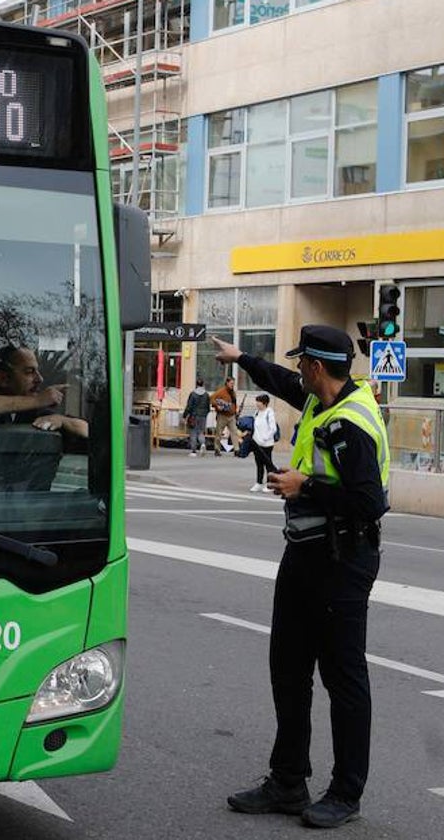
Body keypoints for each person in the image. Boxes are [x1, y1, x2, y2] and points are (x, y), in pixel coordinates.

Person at [214, 326, 389, 829]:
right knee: (288, 668)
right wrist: (243, 357)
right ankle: (288, 780)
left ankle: (345, 793)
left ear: (315, 366)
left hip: (344, 560)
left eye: (301, 365)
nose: (296, 374)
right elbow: (282, 382)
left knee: (342, 676)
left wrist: (303, 484)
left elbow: (368, 502)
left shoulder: (351, 423)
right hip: (306, 554)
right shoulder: (323, 398)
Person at [0, 345, 88, 438]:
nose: (39, 379)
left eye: (37, 371)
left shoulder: (32, 410)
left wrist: (63, 421)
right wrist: (38, 400)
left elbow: (88, 431)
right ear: (3, 379)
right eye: (29, 372)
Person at [247, 394, 278, 492]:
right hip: (256, 443)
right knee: (259, 463)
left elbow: (273, 428)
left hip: (267, 443)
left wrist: (265, 438)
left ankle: (270, 484)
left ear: (264, 403)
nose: (257, 403)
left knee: (268, 464)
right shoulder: (256, 413)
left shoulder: (269, 412)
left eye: (258, 401)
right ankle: (259, 483)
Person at [210, 375, 242, 456]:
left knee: (234, 432)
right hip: (222, 415)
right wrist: (217, 406)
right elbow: (211, 398)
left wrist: (236, 411)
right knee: (219, 433)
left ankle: (236, 450)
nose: (232, 385)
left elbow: (234, 402)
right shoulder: (221, 391)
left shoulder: (232, 392)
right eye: (231, 383)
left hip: (231, 416)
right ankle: (217, 449)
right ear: (227, 383)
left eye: (233, 384)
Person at [182, 377, 211, 456]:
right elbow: (208, 407)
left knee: (193, 432)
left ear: (196, 385)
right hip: (203, 416)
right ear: (203, 384)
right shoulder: (206, 395)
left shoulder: (193, 394)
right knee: (201, 432)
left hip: (194, 416)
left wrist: (185, 415)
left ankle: (193, 451)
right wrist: (205, 414)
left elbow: (189, 406)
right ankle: (203, 444)